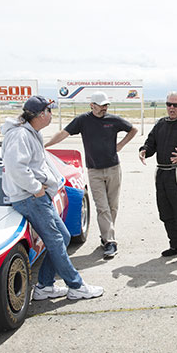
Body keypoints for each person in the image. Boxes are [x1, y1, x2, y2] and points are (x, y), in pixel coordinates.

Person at [1, 95, 103, 301]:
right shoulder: (20, 135)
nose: (51, 115)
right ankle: (76, 285)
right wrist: (36, 188)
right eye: (49, 111)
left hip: (37, 197)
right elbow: (15, 167)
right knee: (56, 240)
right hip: (31, 198)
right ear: (40, 114)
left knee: (63, 237)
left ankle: (45, 286)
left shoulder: (32, 133)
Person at [45, 91, 137, 259]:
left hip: (113, 169)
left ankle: (106, 236)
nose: (104, 108)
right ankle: (110, 242)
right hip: (94, 171)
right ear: (92, 105)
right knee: (102, 207)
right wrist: (45, 145)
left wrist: (121, 145)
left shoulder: (113, 120)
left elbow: (133, 129)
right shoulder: (82, 120)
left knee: (113, 206)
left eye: (106, 105)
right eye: (101, 105)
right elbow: (63, 133)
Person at [138, 91, 177, 264]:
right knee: (165, 212)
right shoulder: (161, 124)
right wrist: (144, 150)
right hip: (161, 172)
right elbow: (151, 143)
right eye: (169, 104)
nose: (171, 108)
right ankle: (175, 245)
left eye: (175, 105)